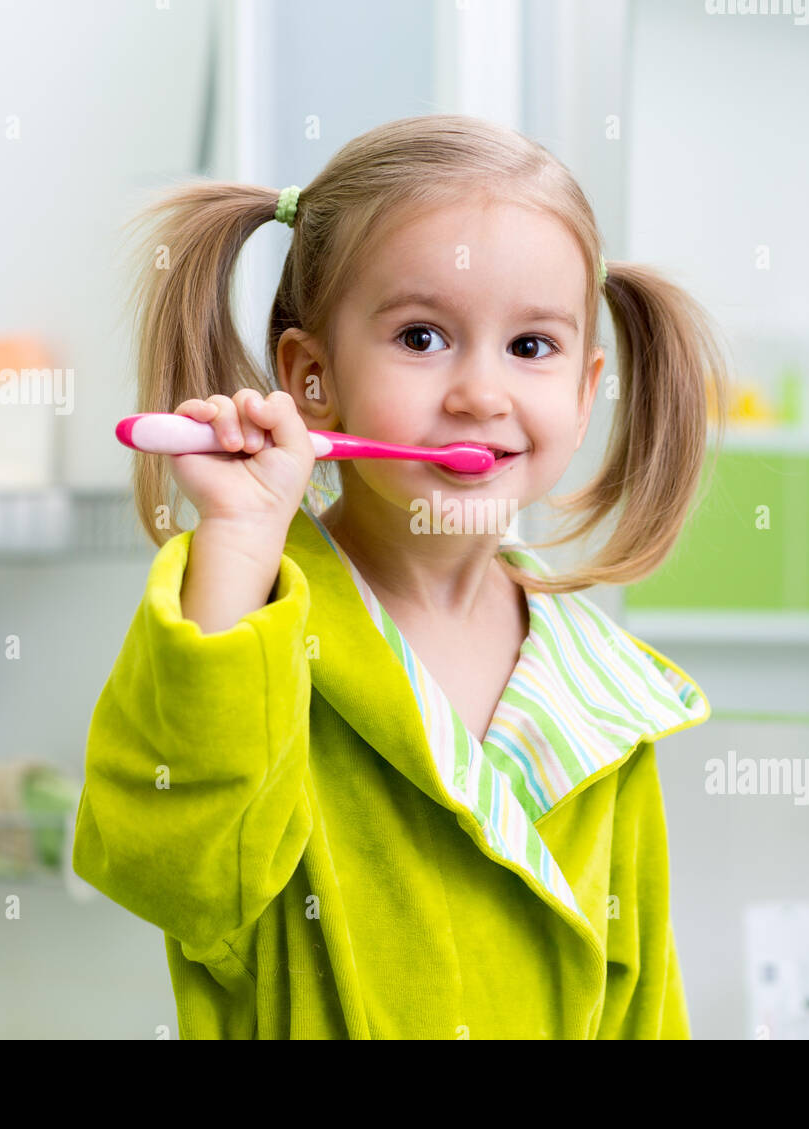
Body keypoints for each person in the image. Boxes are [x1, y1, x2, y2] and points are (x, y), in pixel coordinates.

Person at [73, 113, 729, 1039]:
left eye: (530, 347)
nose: (481, 393)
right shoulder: (244, 609)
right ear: (312, 379)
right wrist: (241, 539)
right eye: (422, 337)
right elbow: (169, 869)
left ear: (585, 397)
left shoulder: (609, 700)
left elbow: (645, 1009)